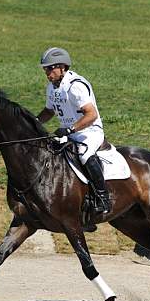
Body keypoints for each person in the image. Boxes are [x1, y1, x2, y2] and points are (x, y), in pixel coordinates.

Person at [36, 48, 111, 213]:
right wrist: (34, 122)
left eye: (50, 68)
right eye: (45, 69)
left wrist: (70, 129)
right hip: (69, 132)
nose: (47, 72)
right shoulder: (52, 87)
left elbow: (91, 114)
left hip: (89, 131)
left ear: (62, 67)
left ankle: (103, 198)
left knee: (84, 155)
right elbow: (49, 111)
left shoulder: (75, 86)